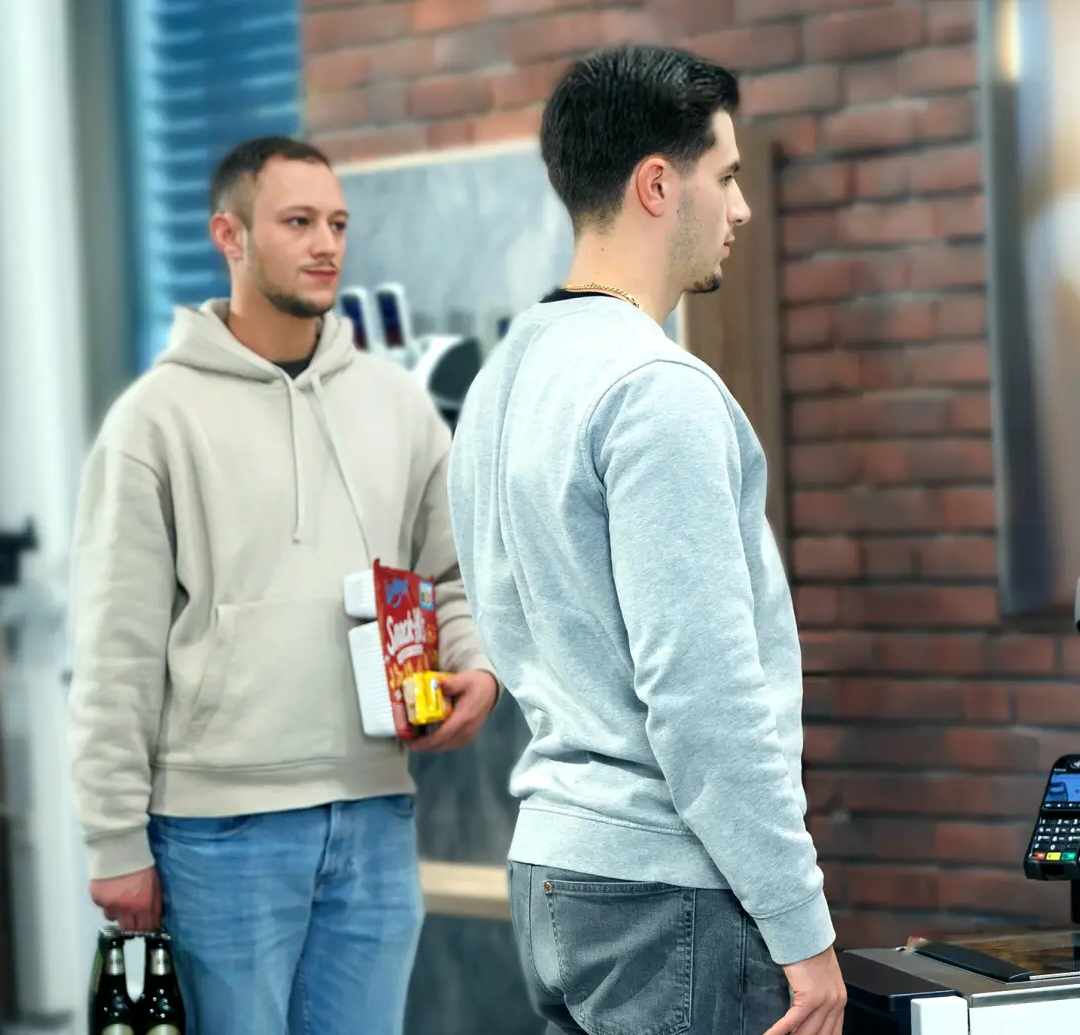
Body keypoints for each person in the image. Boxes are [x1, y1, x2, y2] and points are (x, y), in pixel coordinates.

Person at [447, 45, 845, 1035]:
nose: (741, 209)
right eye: (727, 177)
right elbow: (702, 697)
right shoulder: (656, 392)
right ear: (659, 185)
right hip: (665, 888)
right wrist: (805, 932)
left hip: (556, 874)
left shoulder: (505, 378)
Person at [66, 135, 500, 1035]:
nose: (326, 243)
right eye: (298, 221)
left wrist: (479, 667)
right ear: (229, 235)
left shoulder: (395, 404)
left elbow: (455, 571)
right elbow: (115, 646)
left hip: (376, 813)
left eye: (337, 222)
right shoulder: (156, 420)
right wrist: (113, 837)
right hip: (220, 831)